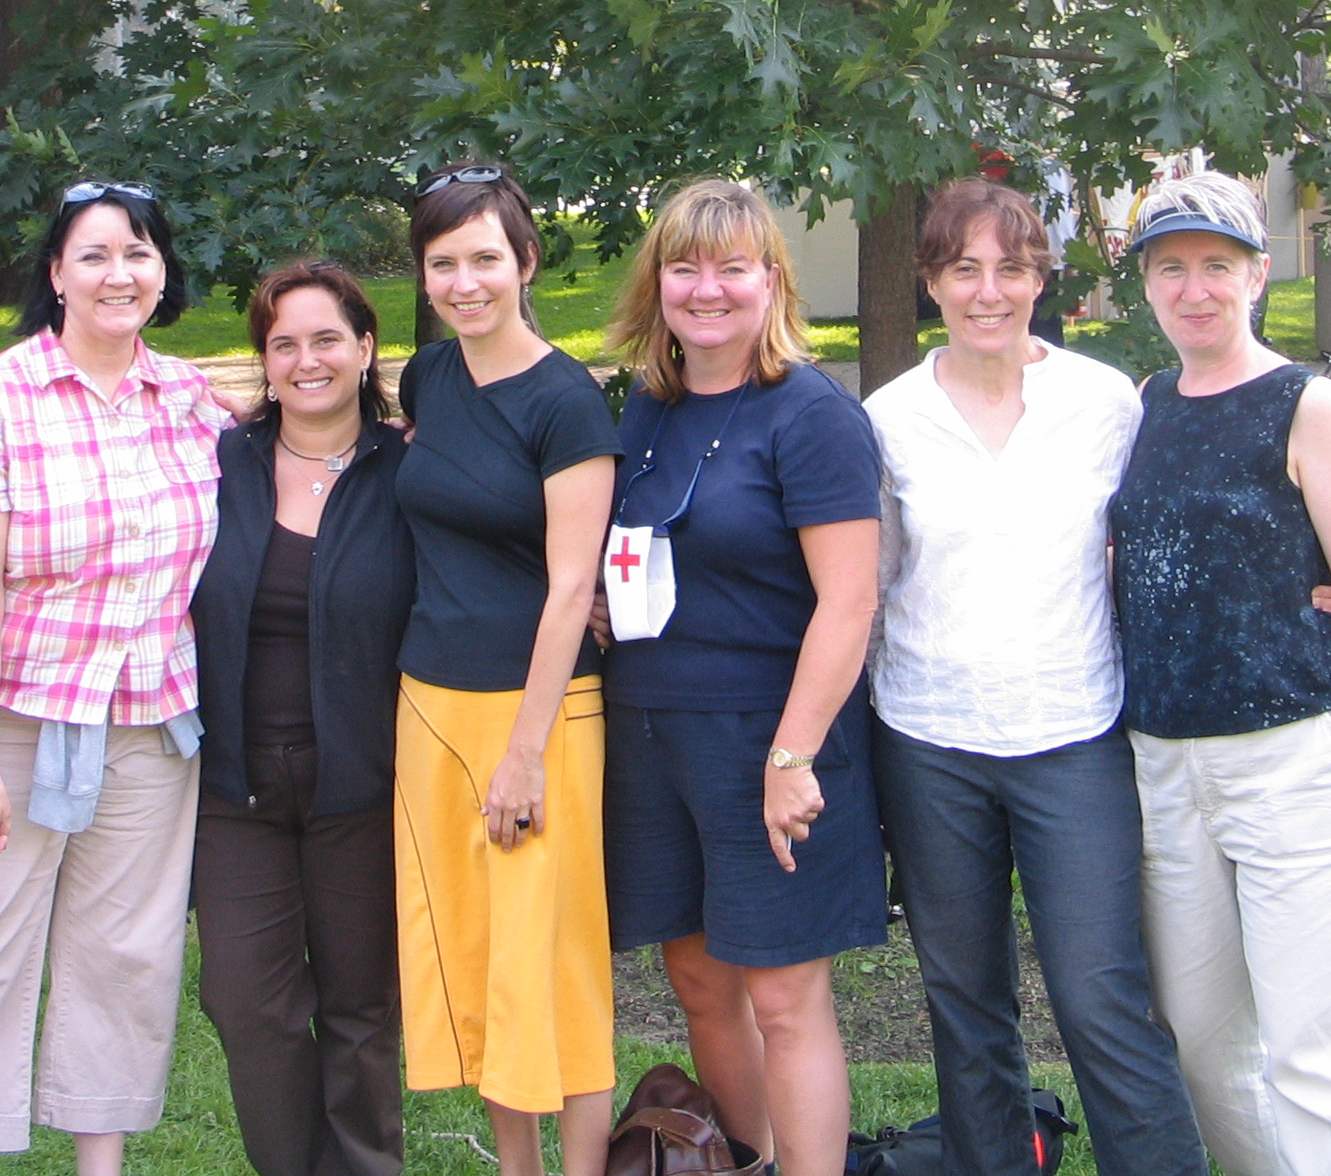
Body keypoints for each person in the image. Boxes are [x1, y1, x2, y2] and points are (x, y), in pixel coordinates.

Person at [865, 177, 1207, 1176]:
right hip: (928, 742)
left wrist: (1314, 583)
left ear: (1039, 280)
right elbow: (866, 585)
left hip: (1073, 733)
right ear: (929, 281)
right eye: (962, 269)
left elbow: (1174, 535)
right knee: (964, 1004)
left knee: (1100, 997)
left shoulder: (1102, 401)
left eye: (1009, 269)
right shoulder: (887, 418)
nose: (986, 291)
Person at [1112, 170, 1331, 1176]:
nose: (1192, 289)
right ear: (1143, 285)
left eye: (1215, 266)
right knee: (1209, 1048)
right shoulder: (1146, 403)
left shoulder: (1308, 406)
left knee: (1321, 1051)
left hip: (1297, 759)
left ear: (1256, 274)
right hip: (1166, 769)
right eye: (1169, 269)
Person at [0, 180, 225, 1176]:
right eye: (92, 255)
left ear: (161, 272)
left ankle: (100, 1164)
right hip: (21, 724)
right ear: (54, 276)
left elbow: (288, 465)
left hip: (151, 726)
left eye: (136, 252)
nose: (117, 273)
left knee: (124, 957)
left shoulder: (191, 398)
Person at [595, 178, 885, 1176]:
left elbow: (848, 603)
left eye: (731, 267)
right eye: (684, 267)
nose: (705, 289)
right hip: (647, 733)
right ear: (657, 282)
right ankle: (743, 1163)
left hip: (768, 739)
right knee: (699, 982)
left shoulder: (811, 416)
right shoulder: (644, 408)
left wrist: (791, 753)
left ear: (771, 280)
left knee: (780, 992)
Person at [392, 161, 621, 1176]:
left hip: (539, 716)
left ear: (524, 261)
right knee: (476, 955)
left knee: (552, 957)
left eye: (484, 257)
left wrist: (525, 753)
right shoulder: (425, 378)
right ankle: (514, 1165)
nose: (463, 281)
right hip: (428, 707)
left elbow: (570, 591)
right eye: (442, 263)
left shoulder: (567, 402)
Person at [190, 260, 414, 1176]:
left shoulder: (408, 470)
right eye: (284, 343)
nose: (306, 360)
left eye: (327, 339)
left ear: (365, 348)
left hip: (361, 777)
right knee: (251, 1006)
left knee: (361, 1009)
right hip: (233, 783)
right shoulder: (218, 464)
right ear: (264, 360)